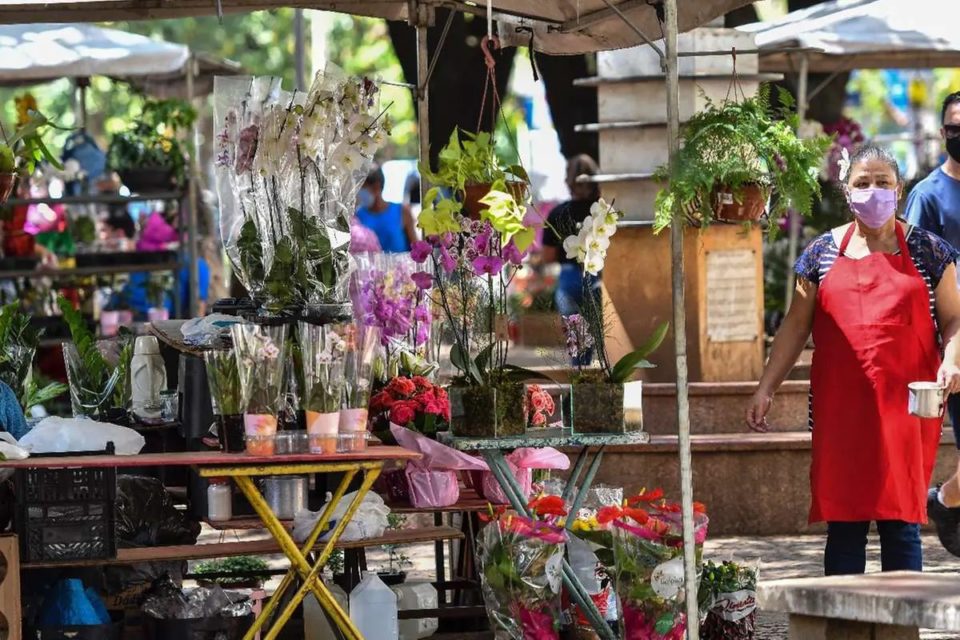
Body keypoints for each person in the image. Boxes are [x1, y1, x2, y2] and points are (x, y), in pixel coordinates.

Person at [747, 144, 960, 575]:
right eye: (863, 183)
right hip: (840, 409)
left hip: (907, 409)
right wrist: (766, 386)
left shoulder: (930, 252)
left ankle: (899, 627)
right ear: (847, 192)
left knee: (901, 523)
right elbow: (794, 326)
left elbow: (955, 319)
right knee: (844, 524)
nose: (874, 191)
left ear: (899, 191)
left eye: (883, 183)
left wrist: (952, 361)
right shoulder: (820, 254)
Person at [906, 90, 960, 556]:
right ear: (943, 133)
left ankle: (944, 501)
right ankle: (944, 501)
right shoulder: (926, 198)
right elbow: (914, 276)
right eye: (955, 126)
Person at [541, 155, 602, 364]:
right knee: (604, 342)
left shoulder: (558, 213)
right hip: (599, 278)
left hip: (568, 281)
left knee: (578, 345)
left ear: (568, 181)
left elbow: (547, 256)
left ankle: (579, 383)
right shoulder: (602, 211)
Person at [356, 164, 417, 253]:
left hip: (401, 266)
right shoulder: (357, 216)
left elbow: (416, 248)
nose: (359, 192)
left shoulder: (402, 211)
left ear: (376, 187)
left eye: (362, 187)